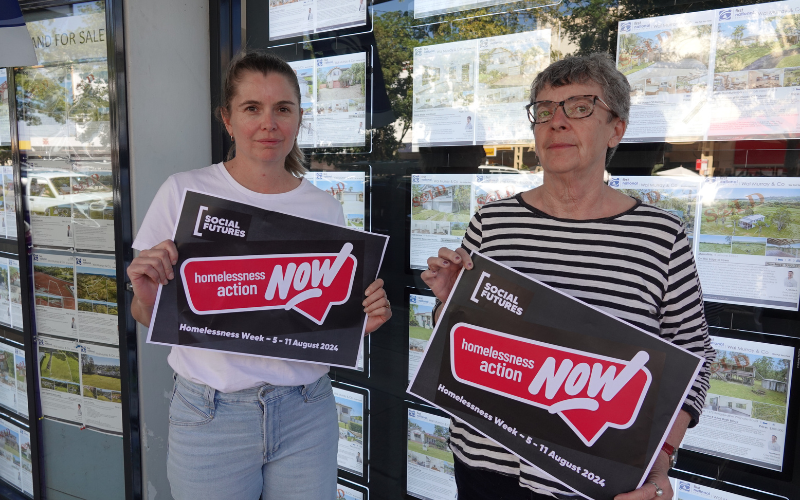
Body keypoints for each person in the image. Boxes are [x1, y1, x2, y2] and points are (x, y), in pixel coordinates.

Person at [423, 54, 714, 500]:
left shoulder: (661, 236)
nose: (556, 122)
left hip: (593, 479)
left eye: (579, 107)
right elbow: (460, 341)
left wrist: (662, 456)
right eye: (544, 111)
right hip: (484, 466)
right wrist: (447, 303)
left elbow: (694, 357)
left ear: (616, 128)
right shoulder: (492, 222)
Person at [127, 51, 391, 500]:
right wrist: (147, 293)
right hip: (210, 414)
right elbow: (146, 314)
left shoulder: (324, 208)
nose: (269, 123)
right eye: (252, 108)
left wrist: (357, 321)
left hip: (307, 409)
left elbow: (316, 319)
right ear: (227, 120)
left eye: (282, 109)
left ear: (298, 119)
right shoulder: (183, 191)